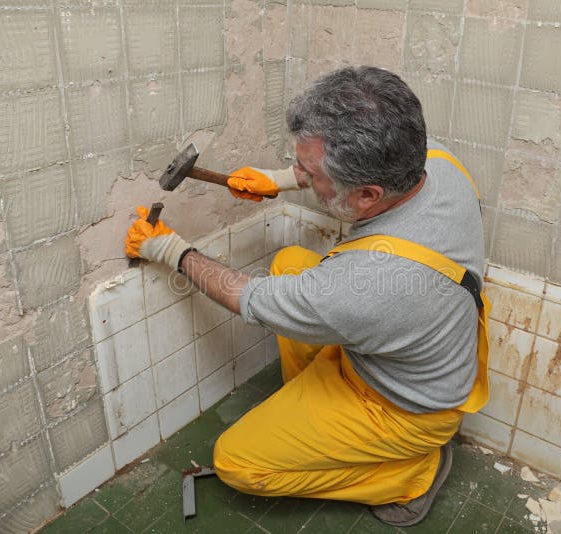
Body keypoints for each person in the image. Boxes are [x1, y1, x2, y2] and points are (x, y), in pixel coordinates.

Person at [125, 66, 490, 527]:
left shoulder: (366, 286)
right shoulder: (434, 161)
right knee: (291, 263)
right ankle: (311, 417)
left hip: (402, 410)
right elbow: (313, 280)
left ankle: (409, 475)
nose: (301, 175)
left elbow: (250, 299)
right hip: (420, 351)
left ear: (366, 195)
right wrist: (280, 179)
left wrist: (171, 250)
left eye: (310, 172)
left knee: (238, 463)